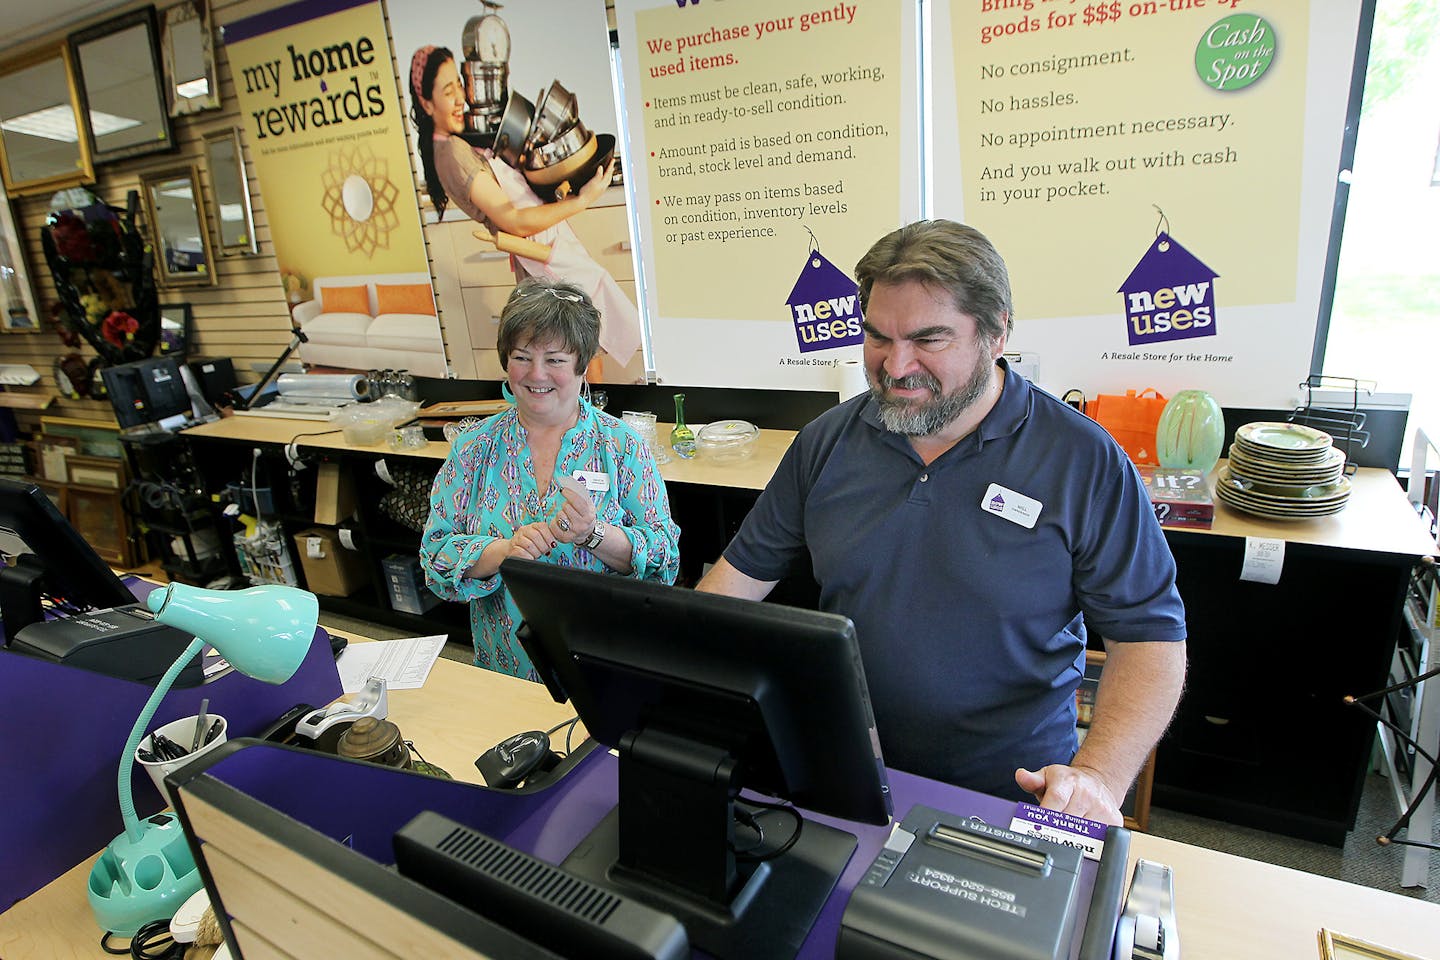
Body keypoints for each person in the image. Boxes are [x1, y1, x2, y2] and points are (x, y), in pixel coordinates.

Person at [697, 220, 1187, 825]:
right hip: (845, 772)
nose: (896, 366)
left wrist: (1096, 779)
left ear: (997, 331)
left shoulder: (1082, 460)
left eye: (929, 339)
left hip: (1010, 796)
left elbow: (1151, 641)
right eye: (878, 337)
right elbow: (730, 589)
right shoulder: (826, 443)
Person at [420, 277, 680, 678]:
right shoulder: (473, 448)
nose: (536, 374)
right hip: (504, 670)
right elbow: (436, 556)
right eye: (522, 357)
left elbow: (663, 558)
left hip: (603, 666)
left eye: (555, 359)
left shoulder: (621, 446)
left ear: (582, 365)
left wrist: (592, 534)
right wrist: (503, 551)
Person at [409, 45, 642, 370]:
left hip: (550, 253)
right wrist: (583, 200)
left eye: (460, 85)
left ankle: (587, 420)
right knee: (576, 358)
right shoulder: (451, 154)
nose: (461, 98)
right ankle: (586, 421)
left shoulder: (460, 142)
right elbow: (514, 221)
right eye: (449, 91)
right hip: (543, 263)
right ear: (425, 101)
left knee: (581, 352)